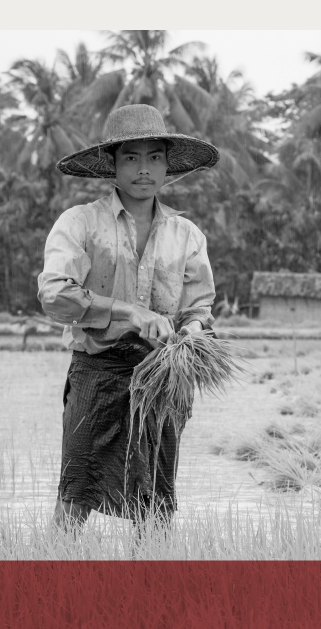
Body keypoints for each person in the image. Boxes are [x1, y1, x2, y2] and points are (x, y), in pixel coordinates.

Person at [37, 104, 219, 534]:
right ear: (112, 165)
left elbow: (199, 308)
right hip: (97, 371)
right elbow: (54, 294)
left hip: (162, 374)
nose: (144, 169)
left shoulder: (186, 235)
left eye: (154, 157)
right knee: (76, 492)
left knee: (155, 502)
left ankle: (148, 595)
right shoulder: (80, 223)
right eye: (131, 158)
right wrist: (126, 311)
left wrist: (191, 332)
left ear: (167, 164)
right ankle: (50, 587)